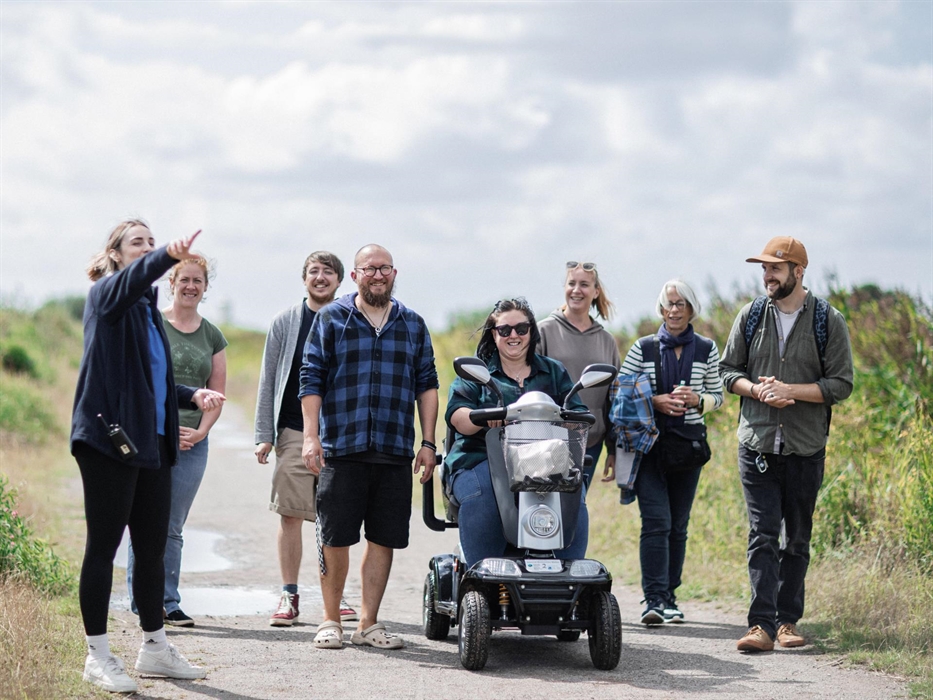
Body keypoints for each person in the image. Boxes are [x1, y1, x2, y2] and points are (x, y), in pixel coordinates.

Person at [71, 220, 225, 693]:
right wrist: (168, 255)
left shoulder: (145, 310)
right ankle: (96, 655)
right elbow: (135, 278)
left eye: (152, 243)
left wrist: (190, 393)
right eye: (138, 242)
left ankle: (155, 648)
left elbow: (148, 377)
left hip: (152, 444)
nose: (149, 248)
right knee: (103, 548)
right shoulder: (108, 296)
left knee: (153, 550)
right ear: (115, 254)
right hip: (108, 441)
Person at [299, 244, 438, 650]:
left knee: (384, 537)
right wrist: (311, 436)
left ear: (394, 274)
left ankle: (369, 624)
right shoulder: (331, 319)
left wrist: (428, 442)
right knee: (336, 536)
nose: (378, 275)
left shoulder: (412, 323)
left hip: (394, 448)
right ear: (356, 275)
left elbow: (426, 384)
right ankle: (330, 621)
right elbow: (311, 378)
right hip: (342, 446)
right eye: (369, 269)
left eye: (385, 268)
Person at [719, 236, 853, 652]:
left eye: (774, 269)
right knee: (762, 534)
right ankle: (760, 625)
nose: (766, 276)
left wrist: (791, 389)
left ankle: (788, 621)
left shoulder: (828, 320)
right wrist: (758, 392)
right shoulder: (751, 315)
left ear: (798, 271)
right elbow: (728, 373)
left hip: (805, 446)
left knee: (797, 538)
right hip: (756, 444)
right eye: (764, 269)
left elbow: (841, 384)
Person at [604, 279, 723, 626]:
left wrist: (697, 400)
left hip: (688, 448)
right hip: (649, 448)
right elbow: (619, 391)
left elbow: (717, 394)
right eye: (669, 304)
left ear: (691, 309)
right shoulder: (643, 347)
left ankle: (670, 597)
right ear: (661, 308)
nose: (674, 310)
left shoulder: (706, 348)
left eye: (681, 304)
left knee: (679, 527)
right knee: (657, 522)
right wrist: (654, 400)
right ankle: (654, 600)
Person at [254, 251, 358, 626]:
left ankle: (337, 594)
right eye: (313, 271)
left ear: (339, 281)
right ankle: (289, 595)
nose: (320, 278)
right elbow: (269, 378)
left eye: (328, 272)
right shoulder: (285, 322)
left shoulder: (351, 319)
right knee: (291, 515)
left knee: (336, 517)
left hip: (341, 434)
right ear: (304, 279)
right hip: (294, 431)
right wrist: (264, 434)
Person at [445, 297, 589, 568]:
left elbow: (578, 414)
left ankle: (570, 573)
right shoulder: (477, 373)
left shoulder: (554, 372)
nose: (514, 335)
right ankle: (483, 572)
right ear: (494, 334)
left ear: (531, 332)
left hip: (544, 461)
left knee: (573, 493)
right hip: (479, 458)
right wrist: (486, 418)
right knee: (484, 495)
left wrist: (563, 419)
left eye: (521, 329)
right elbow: (458, 416)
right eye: (504, 330)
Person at [126, 254, 227, 627]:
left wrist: (201, 431)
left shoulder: (213, 335)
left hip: (192, 442)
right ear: (171, 283)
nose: (190, 286)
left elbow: (216, 394)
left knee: (171, 524)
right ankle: (143, 601)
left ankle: (168, 601)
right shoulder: (154, 323)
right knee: (144, 520)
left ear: (205, 287)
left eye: (197, 281)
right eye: (184, 279)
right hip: (151, 437)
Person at [538, 261, 621, 485]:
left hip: (591, 441)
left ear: (595, 292)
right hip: (548, 440)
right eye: (571, 283)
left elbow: (614, 400)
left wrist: (613, 448)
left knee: (576, 508)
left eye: (584, 284)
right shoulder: (543, 331)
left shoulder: (607, 341)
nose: (576, 290)